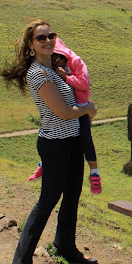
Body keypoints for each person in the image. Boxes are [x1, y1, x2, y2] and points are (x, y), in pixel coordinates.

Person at [0, 19, 98, 264]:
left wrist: (83, 109)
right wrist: (88, 108)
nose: (47, 41)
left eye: (50, 35)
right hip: (54, 144)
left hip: (71, 142)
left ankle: (65, 246)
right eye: (40, 38)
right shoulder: (38, 74)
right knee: (47, 201)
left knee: (72, 196)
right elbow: (64, 111)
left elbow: (70, 102)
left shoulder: (54, 69)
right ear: (31, 45)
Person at [27, 37, 102, 194]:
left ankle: (94, 173)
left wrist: (66, 78)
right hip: (68, 109)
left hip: (81, 106)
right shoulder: (48, 69)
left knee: (86, 140)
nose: (56, 62)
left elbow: (84, 83)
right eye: (53, 59)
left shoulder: (75, 62)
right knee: (56, 135)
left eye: (58, 58)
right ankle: (43, 164)